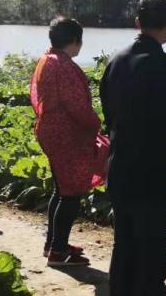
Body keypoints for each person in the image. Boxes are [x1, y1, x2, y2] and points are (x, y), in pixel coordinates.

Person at [99, 0, 166, 296]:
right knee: (151, 253)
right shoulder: (165, 67)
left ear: (138, 22)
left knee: (125, 247)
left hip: (121, 166)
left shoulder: (115, 62)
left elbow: (109, 112)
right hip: (152, 169)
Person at [30, 16, 109, 267]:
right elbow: (77, 106)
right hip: (65, 136)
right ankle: (57, 252)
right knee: (71, 193)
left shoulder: (46, 59)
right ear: (75, 41)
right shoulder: (63, 66)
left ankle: (53, 244)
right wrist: (95, 124)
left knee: (60, 190)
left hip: (50, 132)